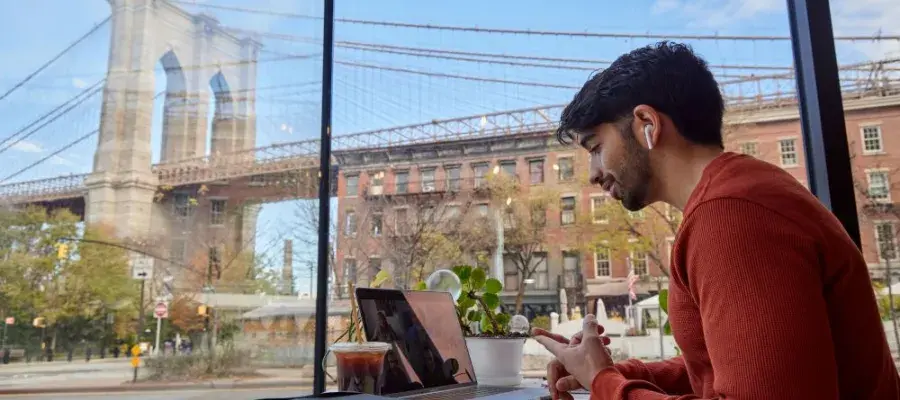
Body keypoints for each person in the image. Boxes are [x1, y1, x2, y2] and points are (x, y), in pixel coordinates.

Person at [533, 41, 900, 400]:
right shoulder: (742, 192)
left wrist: (605, 384)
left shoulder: (732, 214)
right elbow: (721, 369)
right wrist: (618, 373)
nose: (593, 174)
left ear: (647, 123)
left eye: (596, 148)